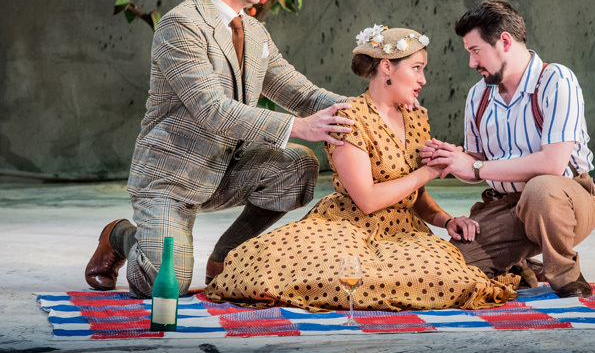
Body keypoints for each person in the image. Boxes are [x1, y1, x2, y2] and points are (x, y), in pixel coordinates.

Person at [85, 0, 355, 298]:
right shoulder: (180, 25)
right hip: (172, 179)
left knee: (299, 166)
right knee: (163, 286)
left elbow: (302, 93)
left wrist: (368, 107)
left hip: (227, 168)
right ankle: (119, 235)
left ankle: (226, 256)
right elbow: (212, 109)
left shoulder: (254, 31)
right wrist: (300, 127)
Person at [204, 25, 519, 311]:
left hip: (403, 233)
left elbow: (416, 198)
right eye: (417, 69)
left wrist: (447, 220)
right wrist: (429, 171)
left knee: (447, 278)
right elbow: (366, 199)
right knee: (336, 279)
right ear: (386, 68)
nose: (423, 79)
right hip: (349, 227)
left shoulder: (417, 118)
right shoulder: (349, 117)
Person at [421, 0, 595, 298]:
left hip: (565, 201)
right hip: (503, 204)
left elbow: (553, 164)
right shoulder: (478, 95)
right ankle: (521, 264)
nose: (471, 62)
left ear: (504, 41)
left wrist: (475, 166)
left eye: (475, 51)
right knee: (452, 273)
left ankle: (565, 274)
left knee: (541, 189)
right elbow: (476, 165)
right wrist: (452, 161)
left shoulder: (556, 79)